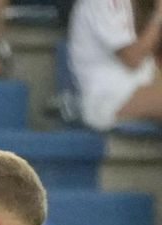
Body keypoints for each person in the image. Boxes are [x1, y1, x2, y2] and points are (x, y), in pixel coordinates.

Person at [68, 0, 162, 130]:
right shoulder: (102, 3)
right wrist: (158, 15)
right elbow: (132, 58)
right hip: (108, 98)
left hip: (139, 86)